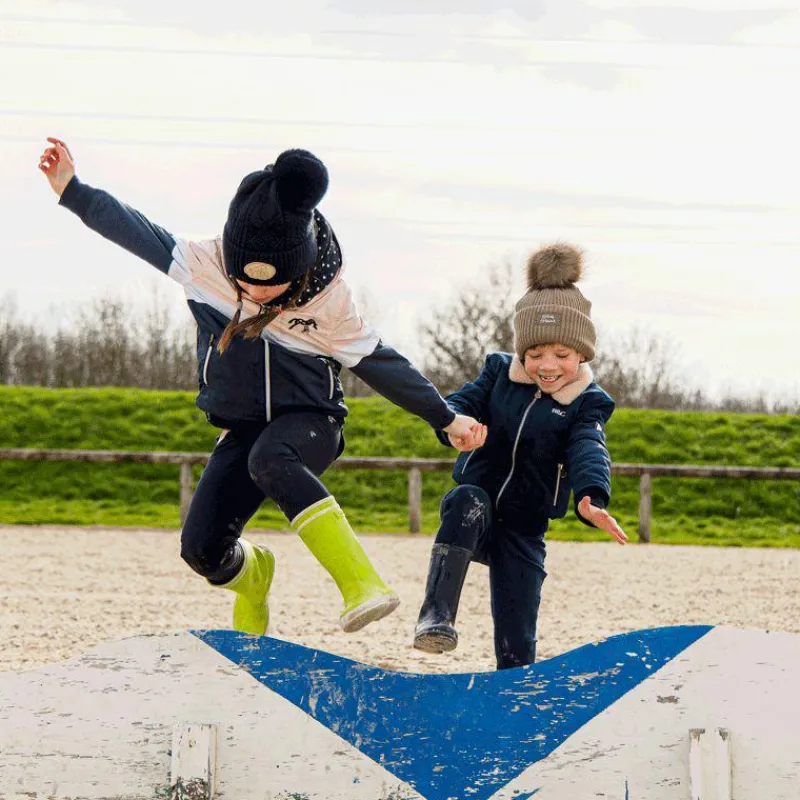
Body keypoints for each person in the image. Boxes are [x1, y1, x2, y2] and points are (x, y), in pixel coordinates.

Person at [38, 137, 484, 637]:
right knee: (201, 549)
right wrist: (71, 189)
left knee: (270, 458)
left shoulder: (329, 301)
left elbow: (382, 365)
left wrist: (446, 418)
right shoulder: (202, 262)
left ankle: (362, 583)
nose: (255, 294)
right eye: (245, 282)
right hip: (243, 428)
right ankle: (254, 576)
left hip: (311, 421)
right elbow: (131, 228)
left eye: (271, 286)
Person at [413, 242, 627, 669]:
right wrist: (456, 425)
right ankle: (436, 617)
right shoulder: (499, 373)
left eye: (561, 355)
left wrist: (591, 496)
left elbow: (589, 447)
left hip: (525, 526)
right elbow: (463, 402)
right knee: (466, 500)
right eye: (535, 354)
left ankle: (513, 681)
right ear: (521, 351)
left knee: (517, 634)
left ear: (582, 353)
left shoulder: (588, 402)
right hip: (478, 512)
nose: (547, 365)